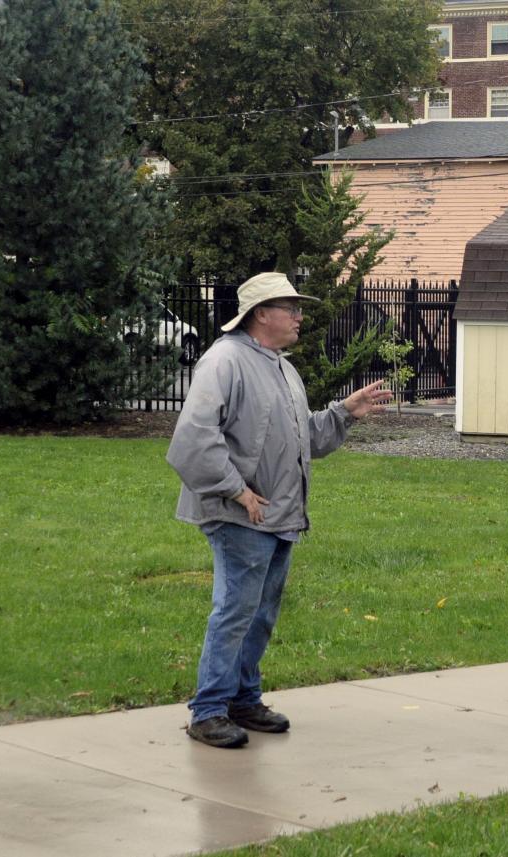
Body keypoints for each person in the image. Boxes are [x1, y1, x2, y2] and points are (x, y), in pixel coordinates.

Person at [167, 271, 392, 749]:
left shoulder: (282, 368)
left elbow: (300, 440)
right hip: (239, 515)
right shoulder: (224, 361)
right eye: (290, 307)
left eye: (298, 307)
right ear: (260, 314)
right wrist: (236, 491)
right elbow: (192, 439)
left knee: (260, 613)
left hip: (279, 517)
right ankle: (208, 711)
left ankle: (243, 700)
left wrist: (343, 413)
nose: (299, 316)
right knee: (235, 610)